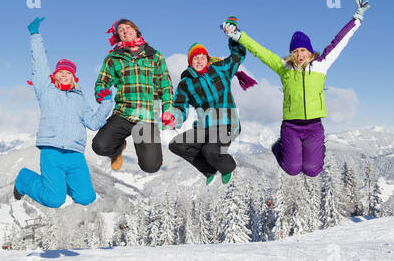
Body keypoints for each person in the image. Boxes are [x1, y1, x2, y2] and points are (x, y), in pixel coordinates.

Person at [223, 0, 370, 177]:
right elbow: (259, 51)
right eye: (295, 51)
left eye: (303, 50)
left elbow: (339, 42)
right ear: (292, 54)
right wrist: (238, 35)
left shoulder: (321, 65)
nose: (300, 54)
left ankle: (316, 151)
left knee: (312, 171)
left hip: (314, 127)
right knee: (292, 169)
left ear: (309, 52)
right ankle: (279, 146)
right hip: (291, 126)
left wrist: (357, 19)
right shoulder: (283, 67)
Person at [13, 17, 113, 208]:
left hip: (75, 154)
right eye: (61, 72)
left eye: (68, 73)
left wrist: (107, 103)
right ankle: (24, 179)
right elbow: (40, 65)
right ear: (54, 75)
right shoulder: (46, 91)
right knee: (54, 200)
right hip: (52, 151)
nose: (64, 74)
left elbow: (93, 122)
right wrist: (35, 35)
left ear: (74, 78)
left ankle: (58, 184)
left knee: (86, 198)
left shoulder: (80, 99)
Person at [168, 23, 246, 186]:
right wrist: (173, 118)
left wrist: (233, 35)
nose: (199, 60)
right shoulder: (186, 83)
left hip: (226, 123)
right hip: (204, 127)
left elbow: (238, 55)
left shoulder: (220, 69)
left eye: (202, 56)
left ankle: (228, 167)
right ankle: (209, 170)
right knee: (176, 145)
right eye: (195, 58)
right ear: (190, 62)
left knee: (210, 150)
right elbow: (180, 106)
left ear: (207, 58)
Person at [92, 18, 174, 173]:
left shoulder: (155, 56)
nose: (125, 31)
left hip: (146, 117)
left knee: (151, 166)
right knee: (100, 146)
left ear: (136, 31)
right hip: (123, 113)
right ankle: (117, 149)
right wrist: (100, 93)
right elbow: (101, 82)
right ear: (118, 36)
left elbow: (165, 85)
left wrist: (168, 109)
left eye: (128, 27)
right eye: (120, 30)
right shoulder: (113, 58)